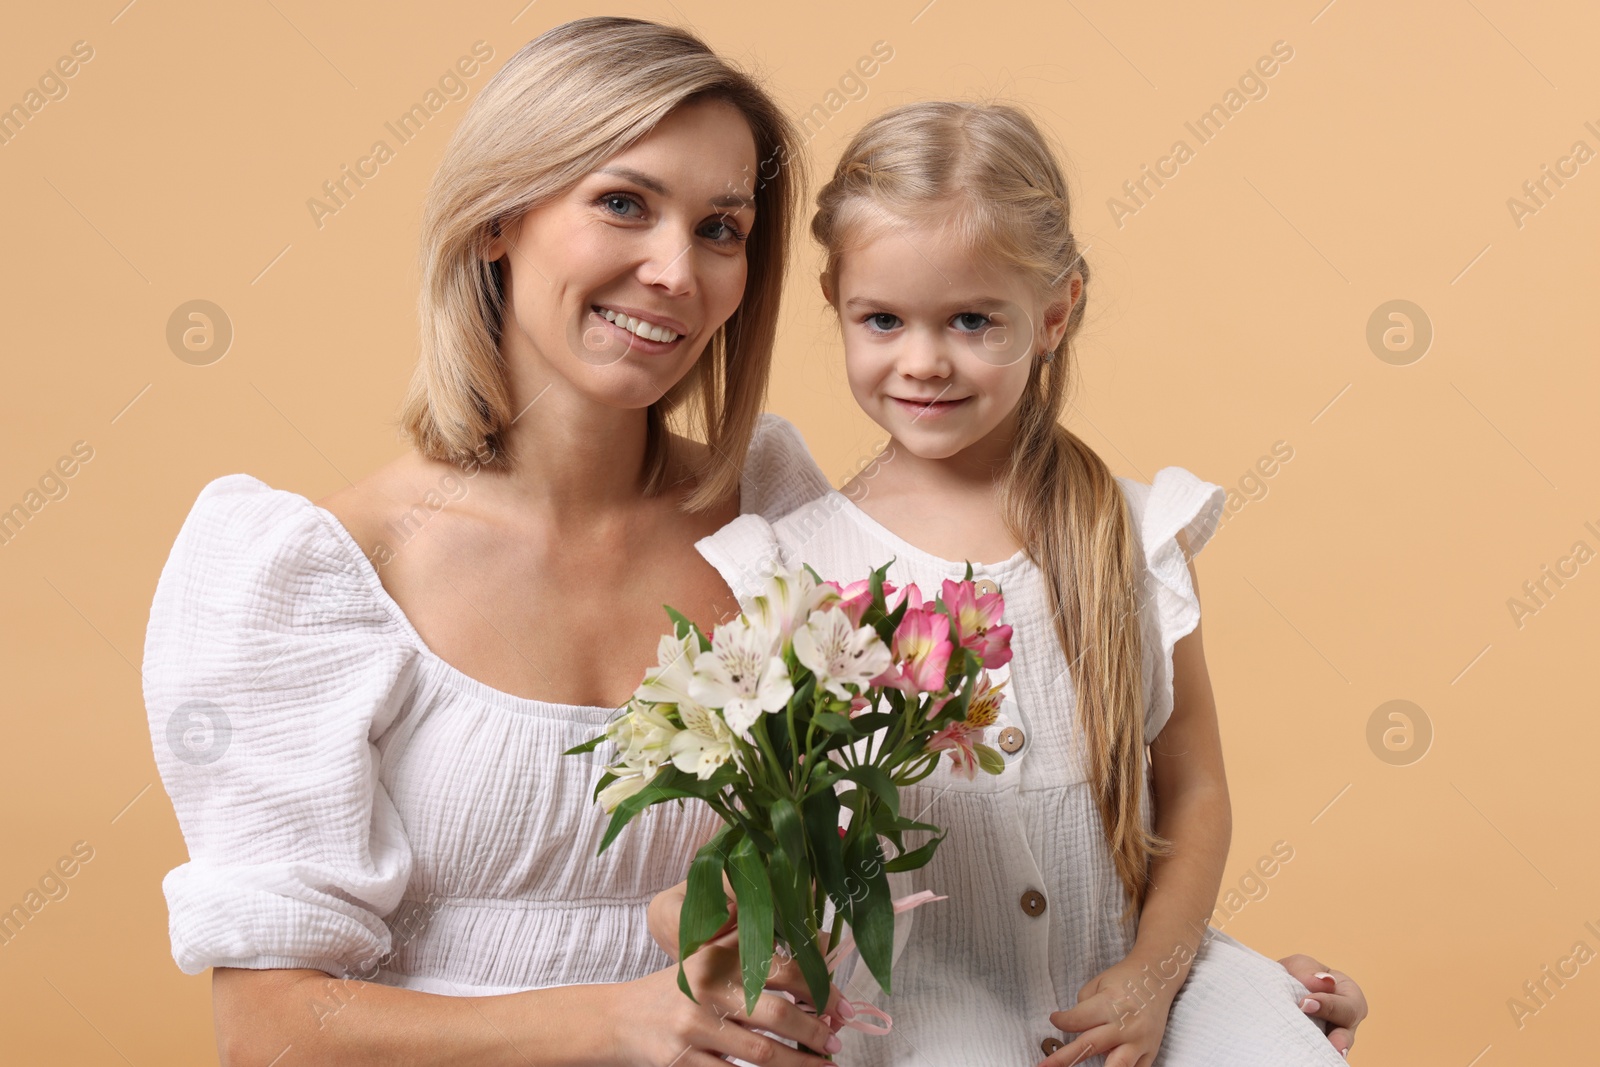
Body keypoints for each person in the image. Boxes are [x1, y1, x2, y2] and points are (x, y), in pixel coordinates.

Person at [142, 17, 845, 1066]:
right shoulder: (324, 570)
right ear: (496, 220)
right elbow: (272, 1031)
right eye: (623, 203)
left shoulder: (775, 516)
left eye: (720, 228)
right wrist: (617, 1019)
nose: (674, 270)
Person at [684, 100, 1366, 1065]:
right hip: (927, 996)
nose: (923, 361)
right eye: (882, 319)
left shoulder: (1129, 532)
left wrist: (1155, 975)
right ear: (836, 301)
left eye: (971, 320)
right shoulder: (796, 569)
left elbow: (1195, 786)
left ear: (1054, 314)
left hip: (1138, 962)